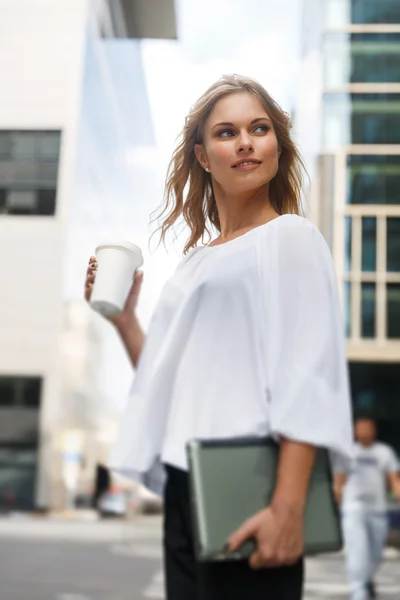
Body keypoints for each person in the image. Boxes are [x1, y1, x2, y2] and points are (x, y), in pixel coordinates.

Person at [84, 74, 353, 600]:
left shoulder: (290, 237)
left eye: (260, 128)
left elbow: (308, 374)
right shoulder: (196, 263)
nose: (247, 142)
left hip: (251, 486)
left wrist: (288, 508)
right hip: (189, 487)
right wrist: (125, 321)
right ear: (204, 156)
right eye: (227, 133)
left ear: (279, 144)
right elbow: (169, 381)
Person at [334, 417, 400, 600]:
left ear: (373, 430)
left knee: (376, 554)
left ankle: (367, 579)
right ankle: (359, 592)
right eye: (360, 428)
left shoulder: (384, 452)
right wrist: (337, 500)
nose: (363, 432)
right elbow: (339, 480)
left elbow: (393, 479)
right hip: (353, 509)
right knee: (357, 551)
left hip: (377, 510)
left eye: (367, 428)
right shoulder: (348, 452)